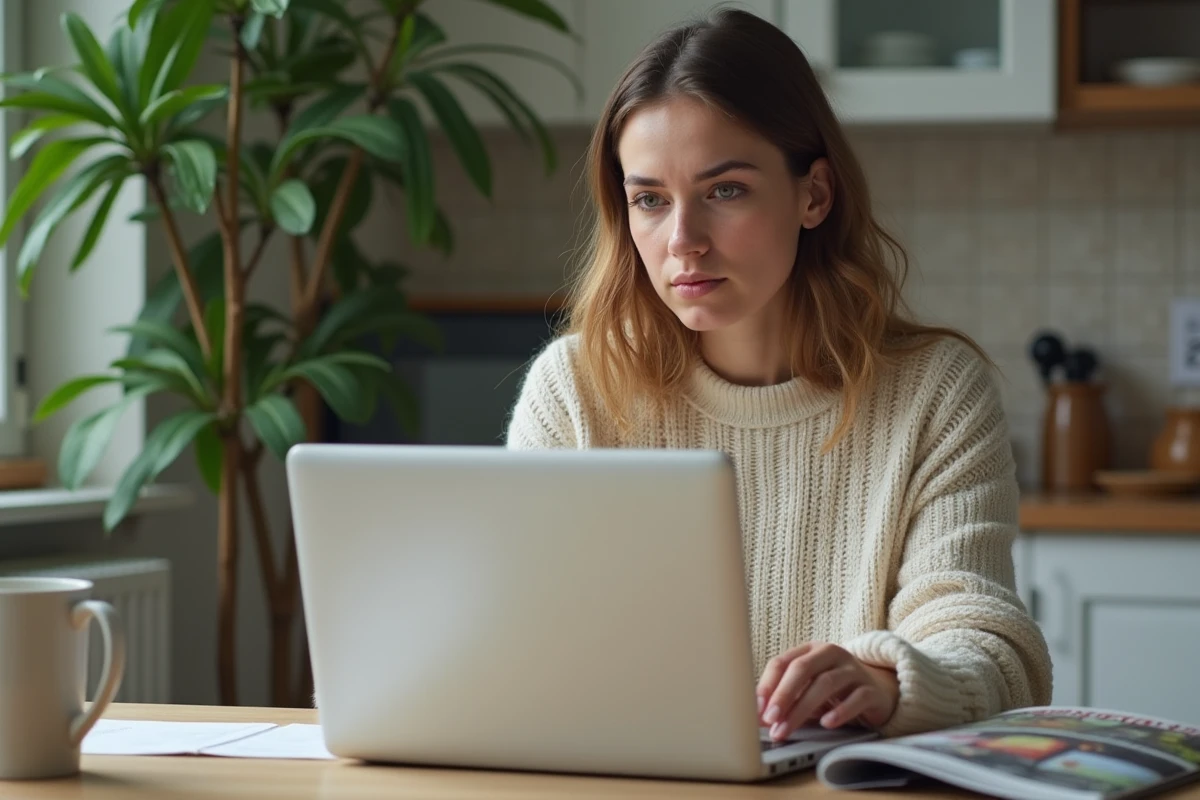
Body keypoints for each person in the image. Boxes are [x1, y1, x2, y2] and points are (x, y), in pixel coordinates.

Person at [504, 7, 1052, 742]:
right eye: (650, 201)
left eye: (724, 190)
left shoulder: (935, 392)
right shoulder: (575, 389)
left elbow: (993, 647)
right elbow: (515, 638)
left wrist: (887, 683)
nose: (683, 241)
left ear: (814, 195)